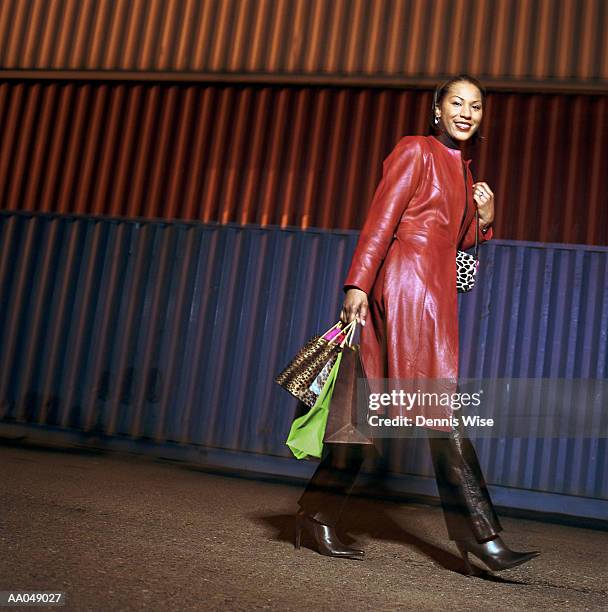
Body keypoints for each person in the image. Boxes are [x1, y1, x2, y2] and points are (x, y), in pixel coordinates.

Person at [294, 74, 540, 574]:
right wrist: (357, 284)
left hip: (433, 296)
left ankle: (315, 515)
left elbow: (458, 245)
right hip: (402, 294)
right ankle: (482, 537)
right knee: (440, 412)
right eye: (457, 102)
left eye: (475, 105)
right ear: (437, 110)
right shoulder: (415, 150)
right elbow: (381, 218)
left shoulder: (465, 173)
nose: (466, 112)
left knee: (360, 420)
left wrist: (485, 218)